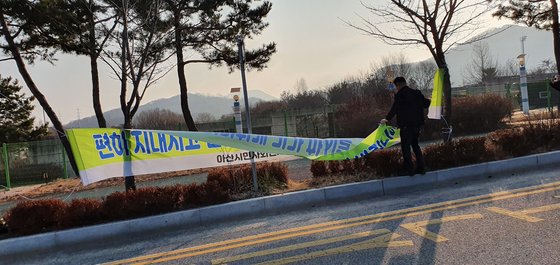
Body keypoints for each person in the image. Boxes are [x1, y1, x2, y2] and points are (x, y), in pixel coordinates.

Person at [380, 76, 430, 176]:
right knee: (415, 146)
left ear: (398, 85)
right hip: (417, 125)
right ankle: (422, 168)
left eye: (396, 86)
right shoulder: (417, 93)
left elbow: (395, 108)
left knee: (406, 147)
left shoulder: (400, 95)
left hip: (406, 126)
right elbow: (426, 104)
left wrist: (387, 119)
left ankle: (409, 170)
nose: (396, 88)